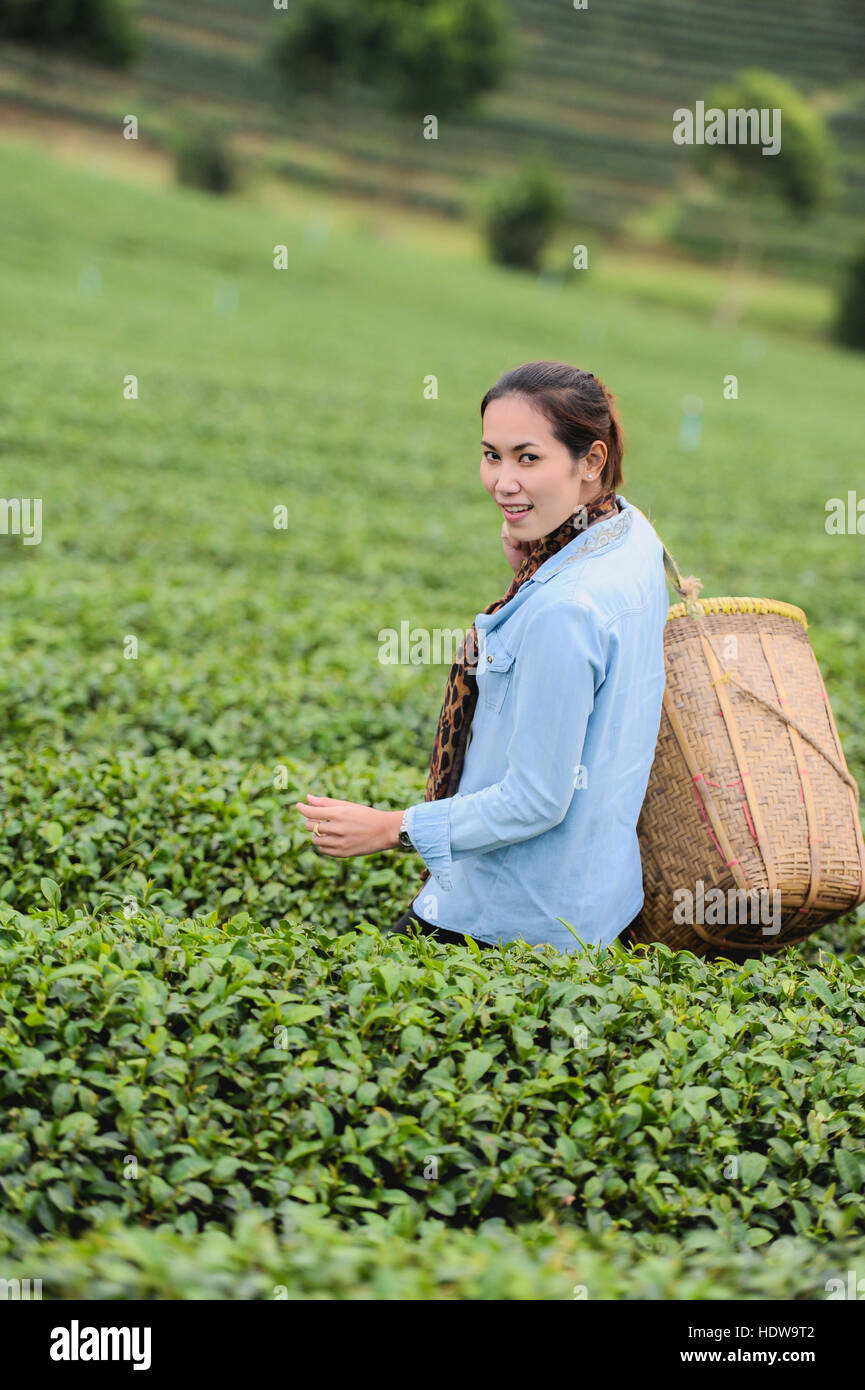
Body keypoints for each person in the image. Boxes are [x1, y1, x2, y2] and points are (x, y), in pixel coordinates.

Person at [295, 360, 668, 953]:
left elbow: (536, 800)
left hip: (502, 918)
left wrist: (392, 828)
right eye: (491, 455)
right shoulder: (631, 533)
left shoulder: (564, 611)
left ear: (590, 462)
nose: (503, 481)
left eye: (528, 458)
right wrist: (531, 567)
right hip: (591, 903)